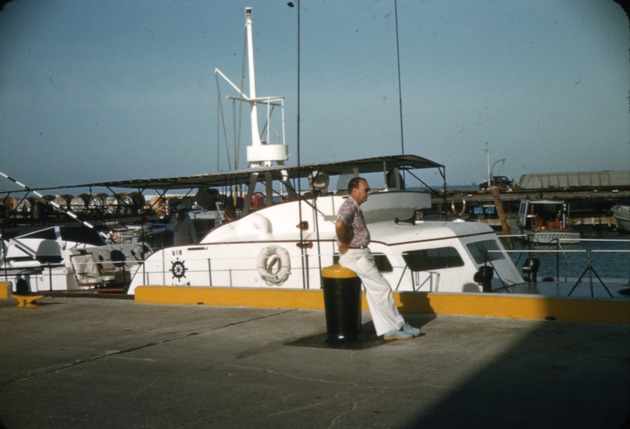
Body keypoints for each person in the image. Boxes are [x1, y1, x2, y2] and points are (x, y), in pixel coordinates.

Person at [335, 177, 422, 341]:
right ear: (354, 191)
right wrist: (344, 243)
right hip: (355, 256)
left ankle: (390, 327)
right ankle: (396, 326)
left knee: (375, 292)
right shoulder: (349, 206)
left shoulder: (354, 206)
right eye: (366, 189)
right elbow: (339, 224)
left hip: (359, 254)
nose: (369, 192)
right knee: (383, 288)